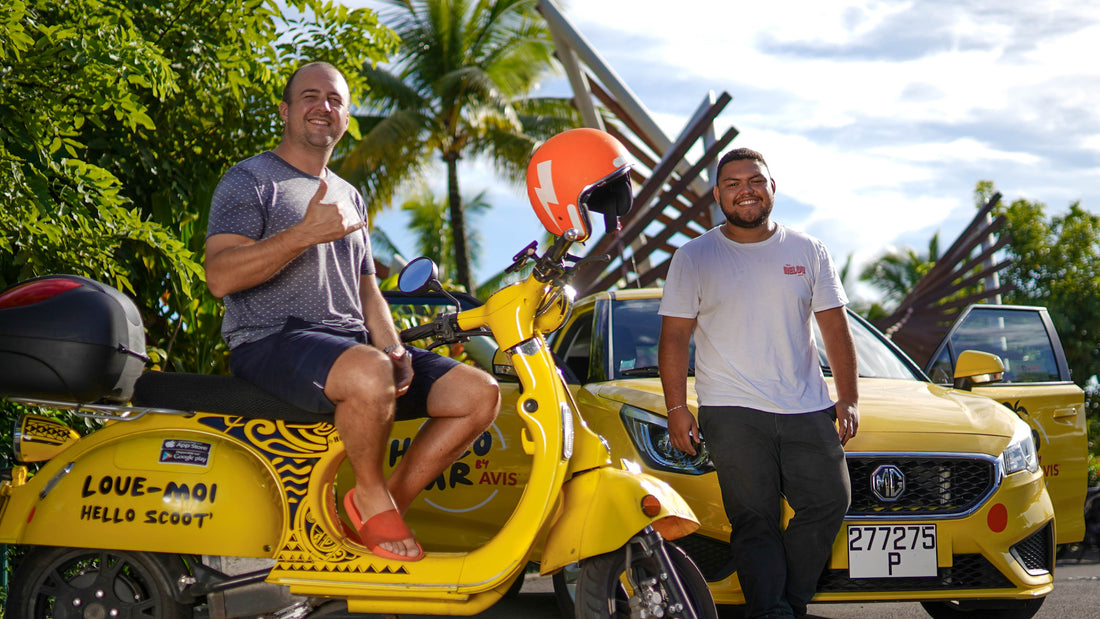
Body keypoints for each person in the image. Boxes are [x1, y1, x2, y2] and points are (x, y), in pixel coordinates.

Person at [204, 61, 500, 562]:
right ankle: (369, 492)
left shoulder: (350, 196)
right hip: (272, 339)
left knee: (477, 392)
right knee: (368, 371)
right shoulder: (249, 179)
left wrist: (394, 348)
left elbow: (368, 294)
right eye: (310, 97)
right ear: (285, 111)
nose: (323, 107)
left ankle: (382, 508)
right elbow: (220, 277)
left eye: (335, 100)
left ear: (344, 119)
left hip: (354, 350)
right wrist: (304, 233)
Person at [657, 148, 858, 618]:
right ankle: (775, 611)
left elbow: (835, 328)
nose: (744, 190)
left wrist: (847, 397)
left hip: (806, 404)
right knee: (754, 517)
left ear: (772, 187)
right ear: (718, 195)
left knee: (831, 499)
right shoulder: (694, 257)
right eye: (732, 183)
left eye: (755, 180)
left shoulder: (808, 250)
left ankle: (782, 601)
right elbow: (674, 338)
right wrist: (676, 408)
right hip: (731, 409)